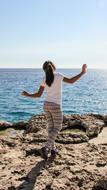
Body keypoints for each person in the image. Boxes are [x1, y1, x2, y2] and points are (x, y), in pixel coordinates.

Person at [21, 61, 87, 159]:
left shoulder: (44, 79)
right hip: (55, 106)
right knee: (58, 127)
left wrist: (27, 94)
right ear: (54, 67)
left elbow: (38, 95)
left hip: (46, 105)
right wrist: (82, 73)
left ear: (44, 70)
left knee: (51, 128)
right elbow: (71, 81)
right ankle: (46, 147)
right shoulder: (59, 76)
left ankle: (53, 149)